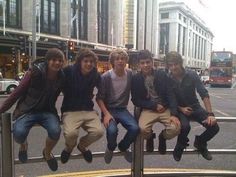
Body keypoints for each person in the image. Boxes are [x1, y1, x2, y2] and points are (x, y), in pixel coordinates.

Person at [0, 48, 65, 171]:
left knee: (55, 131)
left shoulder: (62, 76)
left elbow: (68, 94)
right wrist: (1, 110)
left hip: (47, 111)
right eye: (54, 60)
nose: (57, 63)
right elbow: (17, 93)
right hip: (28, 110)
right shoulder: (34, 72)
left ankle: (47, 153)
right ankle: (24, 146)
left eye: (60, 60)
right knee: (19, 134)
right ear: (47, 61)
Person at [165, 51, 219, 161]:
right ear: (168, 66)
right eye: (171, 65)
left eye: (176, 64)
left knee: (214, 127)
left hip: (195, 106)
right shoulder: (167, 79)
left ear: (180, 63)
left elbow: (203, 94)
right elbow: (169, 99)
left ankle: (200, 142)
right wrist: (181, 109)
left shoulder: (192, 75)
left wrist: (210, 114)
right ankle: (179, 146)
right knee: (185, 127)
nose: (174, 67)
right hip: (179, 108)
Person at [131, 49, 180, 154]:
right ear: (139, 64)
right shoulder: (135, 79)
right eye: (142, 63)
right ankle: (150, 137)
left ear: (152, 62)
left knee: (175, 128)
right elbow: (135, 100)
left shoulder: (162, 75)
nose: (145, 65)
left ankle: (162, 137)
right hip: (149, 109)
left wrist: (174, 114)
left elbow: (170, 94)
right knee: (142, 129)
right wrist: (153, 105)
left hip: (165, 108)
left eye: (148, 62)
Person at [60, 48, 103, 164]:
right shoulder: (68, 71)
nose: (89, 64)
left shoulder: (95, 74)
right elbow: (57, 86)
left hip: (88, 110)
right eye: (86, 61)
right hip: (70, 110)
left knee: (98, 132)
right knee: (71, 134)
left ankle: (82, 146)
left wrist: (106, 111)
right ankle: (68, 148)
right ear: (80, 61)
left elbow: (103, 91)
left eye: (91, 61)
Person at [96, 49, 139, 164]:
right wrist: (106, 114)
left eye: (123, 58)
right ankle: (110, 148)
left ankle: (123, 147)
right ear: (112, 61)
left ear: (126, 61)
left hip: (122, 109)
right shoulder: (105, 77)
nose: (120, 61)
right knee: (112, 131)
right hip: (109, 110)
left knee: (135, 128)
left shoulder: (130, 73)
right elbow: (99, 98)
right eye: (117, 59)